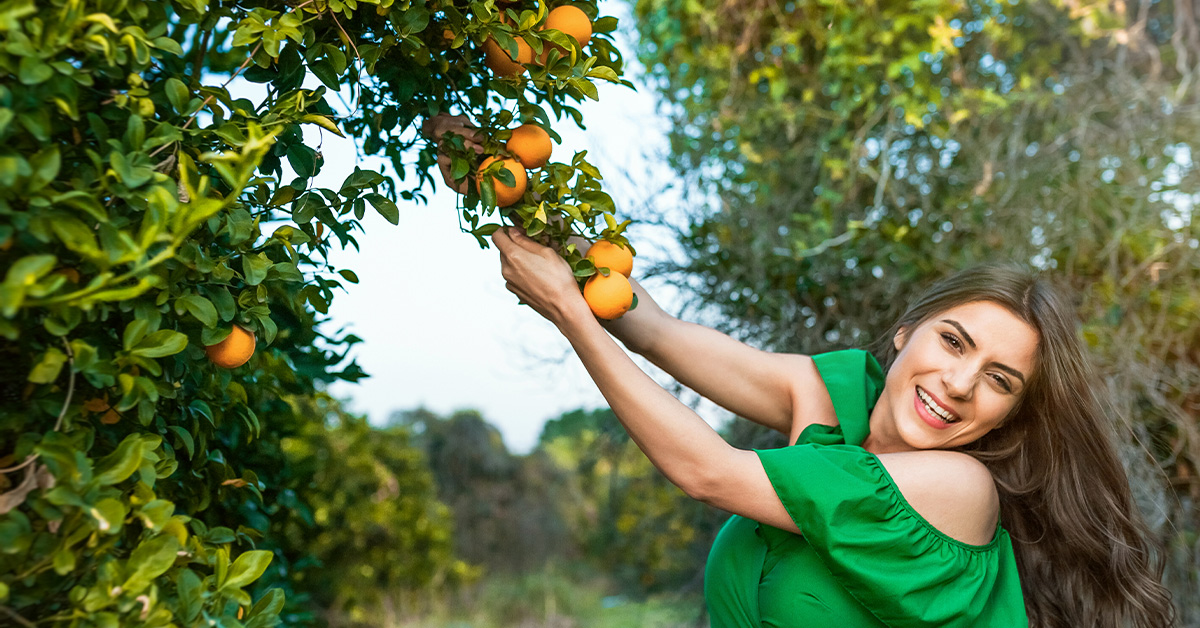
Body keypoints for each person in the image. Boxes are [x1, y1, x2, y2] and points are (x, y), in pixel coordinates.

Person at [424, 116, 1176, 627]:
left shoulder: (958, 488)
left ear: (1011, 414)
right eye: (954, 342)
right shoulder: (834, 392)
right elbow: (644, 323)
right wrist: (502, 176)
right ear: (908, 330)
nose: (958, 384)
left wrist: (565, 313)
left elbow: (708, 472)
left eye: (1000, 380)